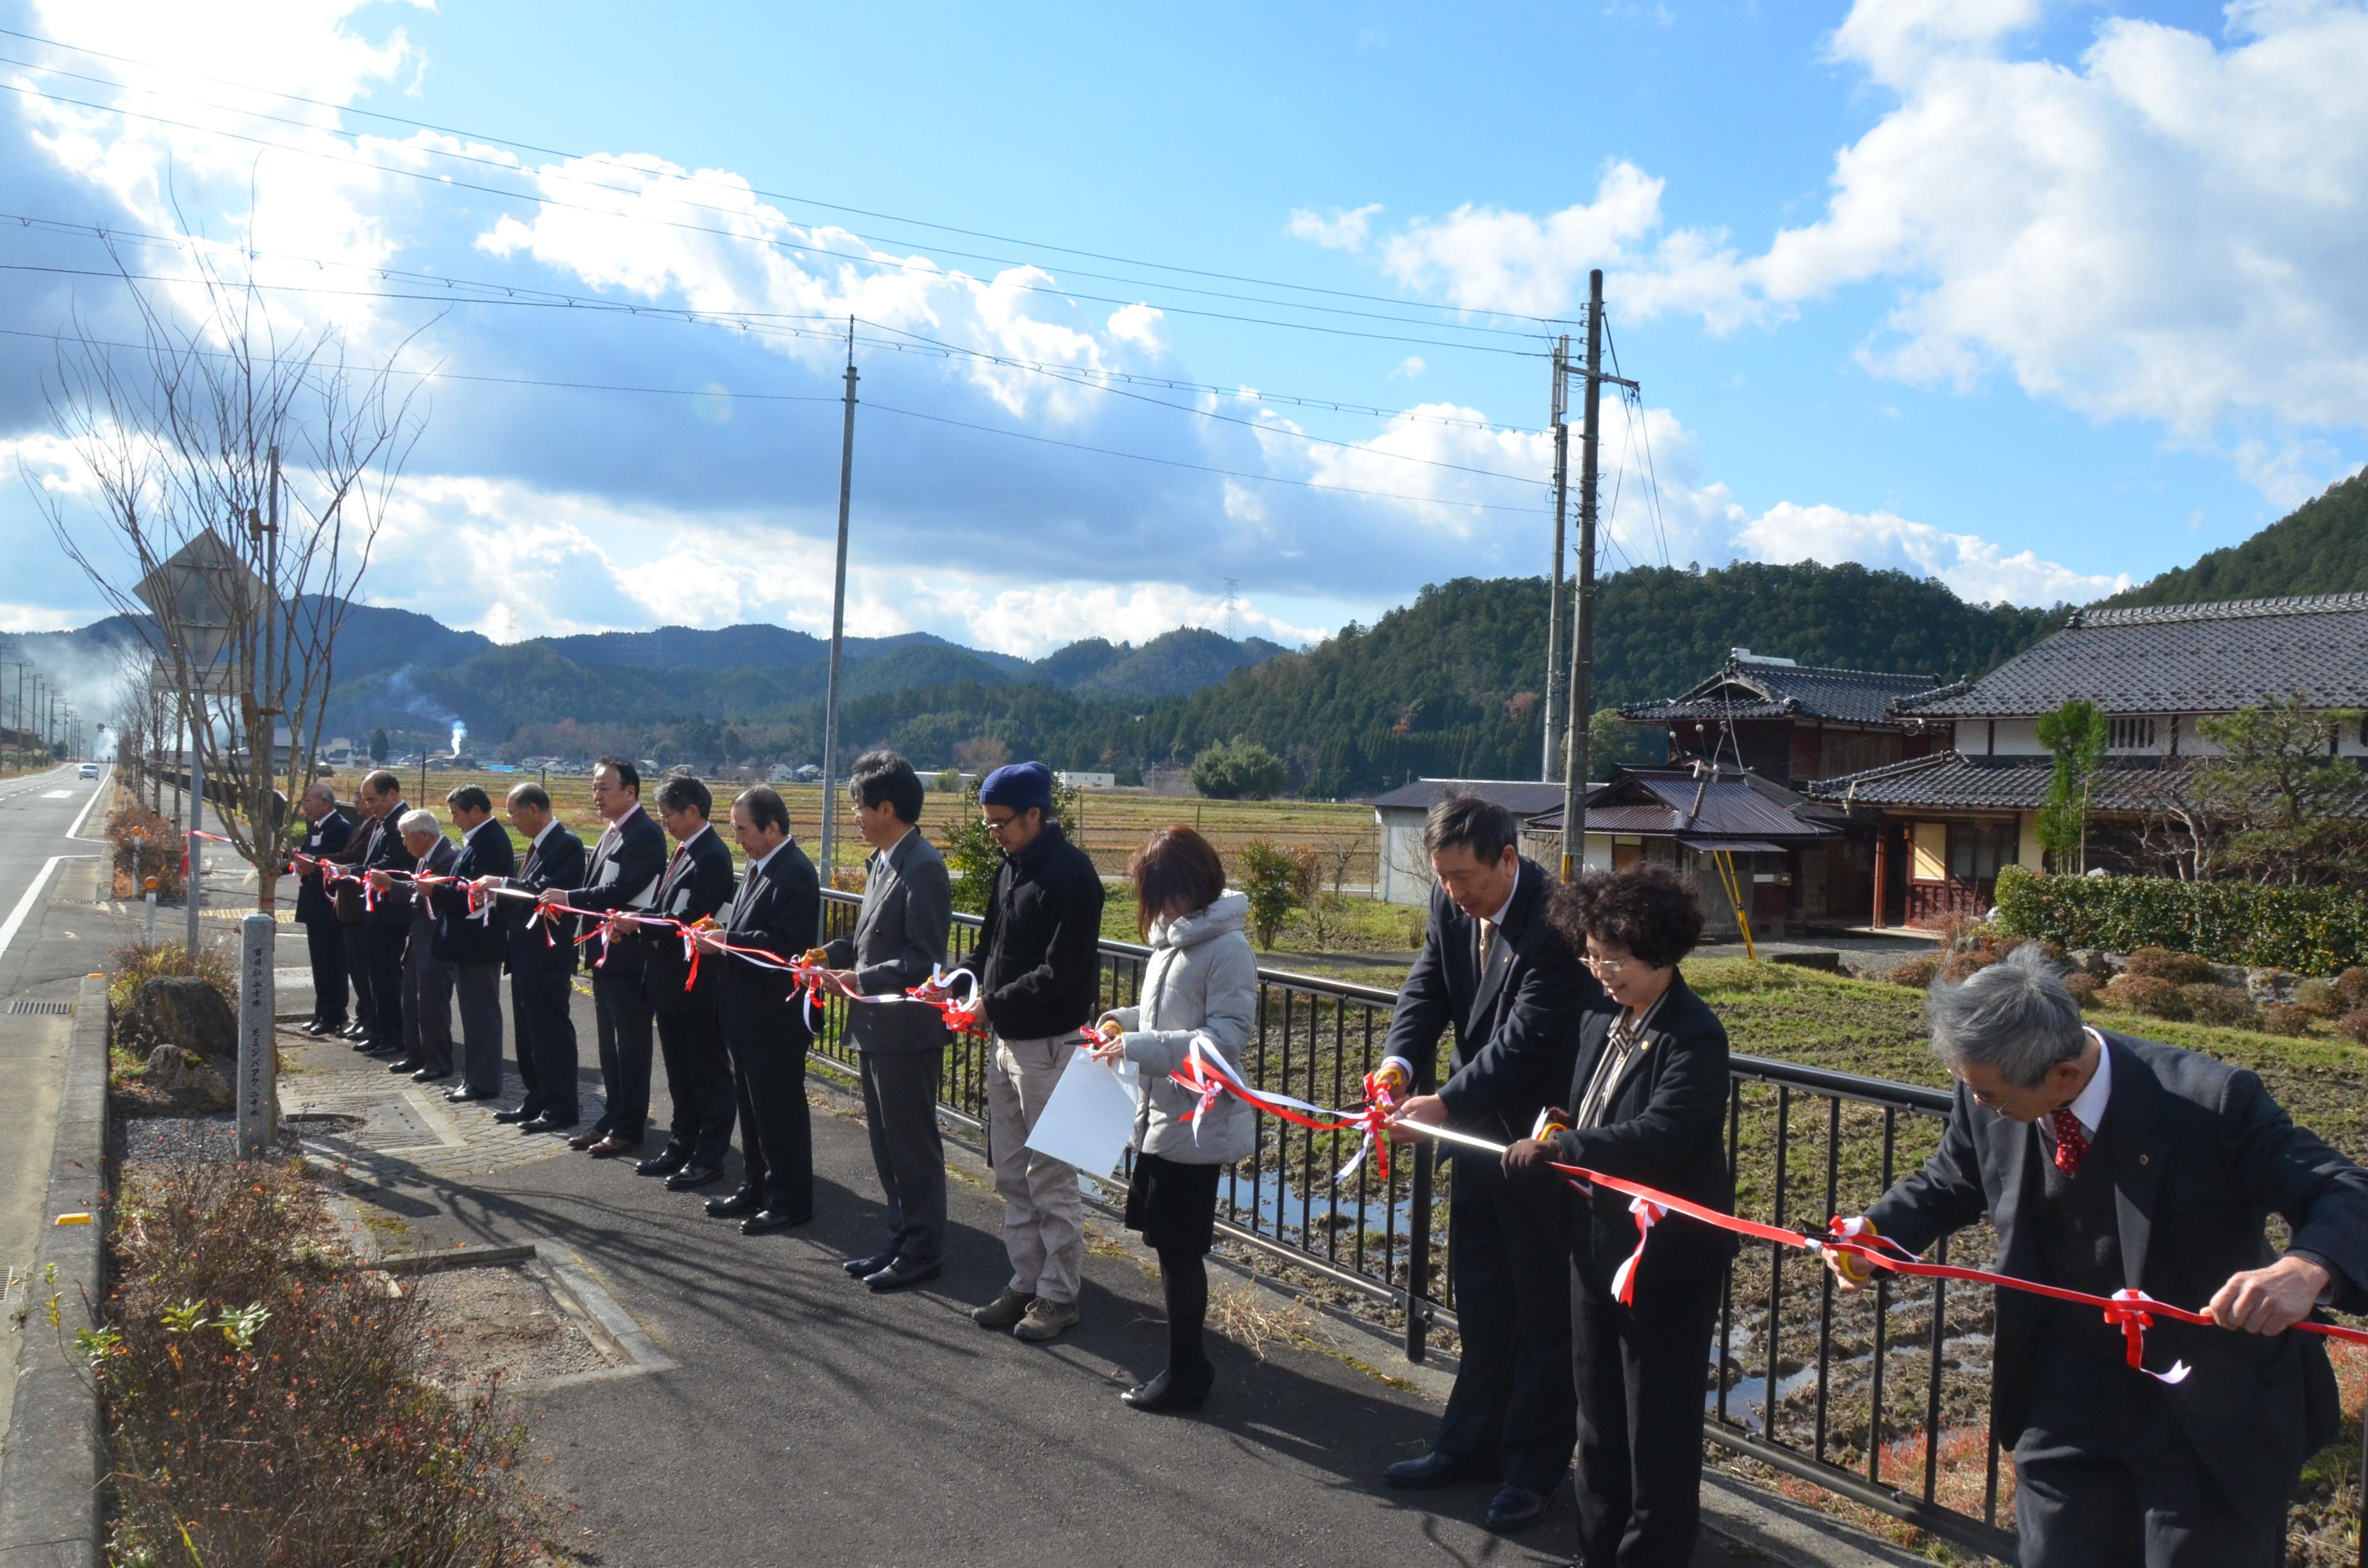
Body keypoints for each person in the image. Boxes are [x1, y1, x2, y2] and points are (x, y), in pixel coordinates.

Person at [1824, 943, 2368, 1568]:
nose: (1980, 1106)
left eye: (1993, 1097)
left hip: (2204, 1406)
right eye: (1970, 1091)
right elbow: (1955, 1176)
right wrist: (1877, 1233)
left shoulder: (2210, 1103)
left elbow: (2345, 1189)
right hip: (2064, 1400)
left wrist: (2307, 1267)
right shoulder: (1989, 1087)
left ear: (2061, 1075)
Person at [1504, 865, 1734, 1568]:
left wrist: (1566, 1147)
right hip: (1593, 1246)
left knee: (1656, 1433)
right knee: (1597, 1420)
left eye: (1616, 960)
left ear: (1663, 954)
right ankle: (1595, 1551)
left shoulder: (1694, 1037)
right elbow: (1590, 1110)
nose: (1602, 972)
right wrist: (1558, 1129)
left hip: (1665, 1261)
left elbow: (1661, 1135)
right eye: (1592, 955)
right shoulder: (1601, 1019)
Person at [1380, 794, 1597, 1533]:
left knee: (1542, 1314)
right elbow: (1428, 986)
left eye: (1465, 877)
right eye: (1442, 878)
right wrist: (1400, 1064)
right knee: (1480, 1299)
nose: (1453, 893)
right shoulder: (1453, 907)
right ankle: (1467, 1445)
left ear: (1509, 857)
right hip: (1474, 1140)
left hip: (1538, 1147)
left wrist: (1441, 1105)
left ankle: (1534, 1471)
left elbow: (1529, 1039)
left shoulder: (1556, 917)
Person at [938, 760, 1104, 1344]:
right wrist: (958, 980)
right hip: (1007, 1040)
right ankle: (1025, 1282)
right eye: (989, 825)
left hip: (1050, 1046)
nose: (995, 834)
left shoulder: (1074, 877)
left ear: (1036, 814)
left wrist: (991, 1005)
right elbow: (990, 949)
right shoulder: (1010, 869)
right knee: (1011, 1172)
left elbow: (1062, 973)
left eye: (1002, 823)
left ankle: (1060, 1295)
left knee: (1050, 1176)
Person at [1090, 826, 1254, 1413]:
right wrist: (1121, 1022)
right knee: (1167, 1246)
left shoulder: (1226, 947)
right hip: (1162, 1116)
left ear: (1185, 885)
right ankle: (1188, 1365)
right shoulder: (1176, 940)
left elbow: (1226, 1039)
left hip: (1196, 1123)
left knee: (1180, 1252)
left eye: (1158, 891)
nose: (1153, 906)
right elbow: (1162, 1015)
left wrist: (1139, 1044)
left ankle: (1187, 1372)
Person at [818, 751, 953, 1292]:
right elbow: (868, 938)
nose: (854, 815)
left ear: (888, 808)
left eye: (859, 806)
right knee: (885, 1145)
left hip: (906, 1031)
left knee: (912, 1147)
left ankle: (924, 1250)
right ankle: (899, 1238)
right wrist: (830, 955)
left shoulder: (924, 865)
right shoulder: (884, 860)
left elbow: (925, 960)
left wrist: (860, 978)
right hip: (876, 1027)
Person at [694, 786, 819, 1234]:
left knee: (779, 1112)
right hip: (746, 1010)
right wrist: (722, 931)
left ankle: (790, 1199)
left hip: (775, 1014)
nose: (738, 839)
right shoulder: (759, 865)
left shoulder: (795, 874)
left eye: (743, 830)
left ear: (773, 828)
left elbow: (784, 945)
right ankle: (757, 1185)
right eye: (733, 830)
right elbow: (749, 928)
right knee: (751, 1107)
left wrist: (729, 941)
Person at [623, 772, 737, 1190]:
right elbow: (662, 906)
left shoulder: (711, 856)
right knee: (679, 1072)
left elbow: (691, 921)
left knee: (706, 1073)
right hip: (669, 983)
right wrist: (636, 921)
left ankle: (710, 1155)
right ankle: (681, 1143)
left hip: (697, 986)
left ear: (692, 811)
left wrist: (640, 924)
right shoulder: (685, 851)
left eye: (667, 814)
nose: (664, 822)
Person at [548, 758, 665, 1156]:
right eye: (594, 788)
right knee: (609, 1047)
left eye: (604, 788)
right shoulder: (613, 831)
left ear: (630, 792)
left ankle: (630, 1125)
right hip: (604, 955)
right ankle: (613, 1115)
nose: (596, 796)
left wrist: (570, 898)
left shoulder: (645, 834)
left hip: (630, 957)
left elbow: (621, 889)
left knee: (630, 1046)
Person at [481, 782, 587, 1118]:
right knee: (527, 1032)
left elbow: (546, 892)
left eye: (513, 812)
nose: (511, 820)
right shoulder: (537, 846)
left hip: (547, 956)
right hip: (525, 953)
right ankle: (536, 1096)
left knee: (550, 1032)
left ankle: (561, 1103)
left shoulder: (566, 845)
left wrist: (503, 885)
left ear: (534, 810)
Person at [429, 785, 516, 1109]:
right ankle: (474, 1078)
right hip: (468, 942)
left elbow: (474, 897)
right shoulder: (478, 840)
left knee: (481, 1015)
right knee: (473, 1014)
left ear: (476, 811)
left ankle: (483, 1081)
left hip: (479, 942)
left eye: (456, 813)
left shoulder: (490, 842)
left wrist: (434, 892)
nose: (453, 821)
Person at [385, 810, 456, 1081]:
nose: (404, 844)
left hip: (435, 941)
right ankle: (416, 1056)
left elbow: (430, 897)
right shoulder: (427, 856)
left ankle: (438, 1062)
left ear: (424, 835)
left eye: (406, 838)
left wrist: (393, 886)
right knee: (412, 1002)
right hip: (419, 940)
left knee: (433, 1006)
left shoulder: (447, 856)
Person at [356, 770, 417, 1056]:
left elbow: (392, 864)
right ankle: (380, 1030)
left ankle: (393, 1036)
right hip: (375, 910)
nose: (369, 806)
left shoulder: (401, 823)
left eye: (373, 799)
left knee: (387, 977)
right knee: (376, 976)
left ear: (392, 794)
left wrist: (353, 872)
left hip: (391, 912)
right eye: (366, 800)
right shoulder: (382, 822)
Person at [290, 780, 353, 1036]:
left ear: (326, 803)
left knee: (333, 961)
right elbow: (307, 856)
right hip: (312, 902)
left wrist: (312, 864)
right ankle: (322, 1012)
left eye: (309, 801)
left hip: (328, 903)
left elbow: (334, 861)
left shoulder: (340, 827)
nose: (305, 806)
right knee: (319, 962)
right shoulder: (314, 826)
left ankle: (335, 1013)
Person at [329, 780, 382, 1043]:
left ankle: (371, 1019)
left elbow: (356, 858)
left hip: (361, 907)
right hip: (349, 906)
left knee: (365, 969)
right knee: (357, 969)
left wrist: (321, 863)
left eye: (363, 798)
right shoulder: (363, 825)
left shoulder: (376, 826)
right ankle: (364, 1016)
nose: (359, 803)